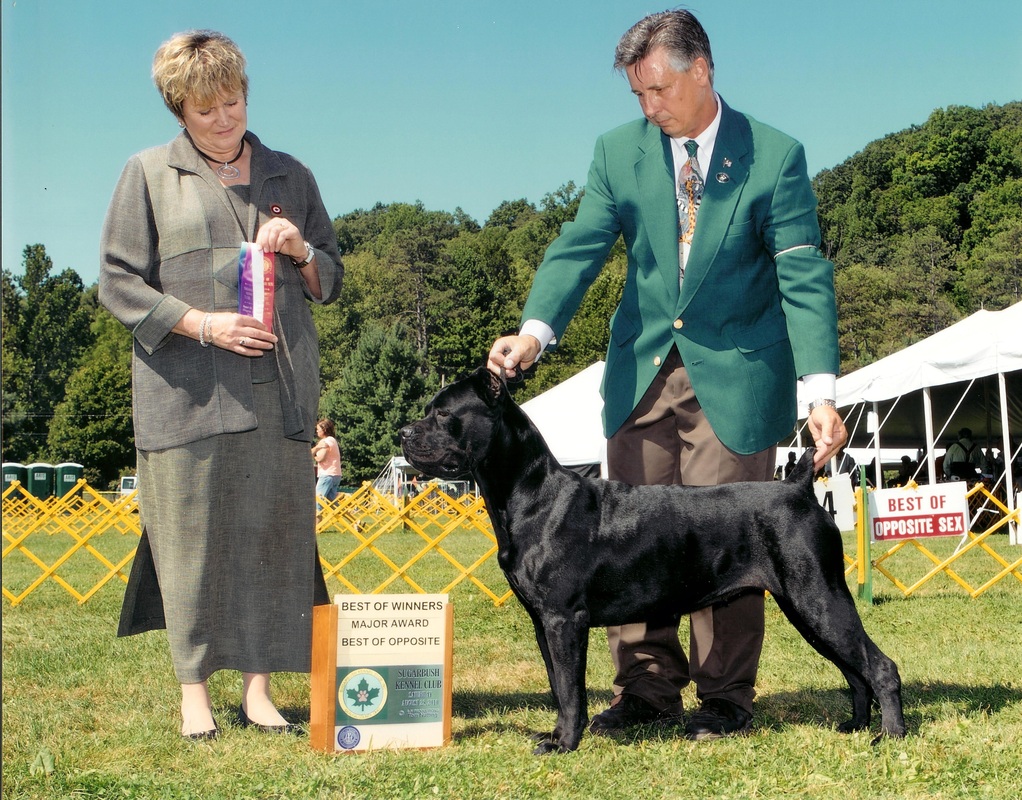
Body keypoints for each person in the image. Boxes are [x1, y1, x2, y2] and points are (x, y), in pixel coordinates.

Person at [488, 9, 846, 742]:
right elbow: (577, 246)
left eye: (657, 91)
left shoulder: (774, 156)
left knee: (730, 541)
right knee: (624, 540)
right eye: (638, 97)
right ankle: (646, 691)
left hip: (739, 377)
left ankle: (724, 698)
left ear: (702, 70)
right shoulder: (619, 152)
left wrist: (820, 393)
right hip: (639, 376)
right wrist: (533, 332)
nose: (648, 109)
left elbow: (804, 278)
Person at [99, 30, 343, 740]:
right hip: (186, 395)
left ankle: (260, 693)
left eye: (232, 101)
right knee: (191, 543)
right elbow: (117, 281)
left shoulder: (290, 174)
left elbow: (331, 272)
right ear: (178, 108)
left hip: (280, 392)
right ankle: (193, 695)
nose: (224, 118)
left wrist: (301, 251)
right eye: (206, 108)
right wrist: (203, 325)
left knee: (273, 537)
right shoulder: (144, 175)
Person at [312, 419, 343, 503]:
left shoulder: (325, 441)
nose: (317, 431)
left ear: (324, 430)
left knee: (317, 500)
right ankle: (338, 516)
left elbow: (321, 458)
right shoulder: (333, 440)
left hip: (327, 474)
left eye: (318, 429)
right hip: (336, 474)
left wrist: (314, 453)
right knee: (331, 502)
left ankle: (318, 516)